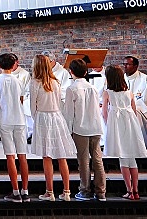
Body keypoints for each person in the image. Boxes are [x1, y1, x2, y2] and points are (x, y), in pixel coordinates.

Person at [30, 54, 75, 201]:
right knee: (61, 156)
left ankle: (50, 192)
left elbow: (32, 107)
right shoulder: (55, 81)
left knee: (47, 156)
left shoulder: (35, 82)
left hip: (43, 117)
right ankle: (67, 192)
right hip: (56, 116)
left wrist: (36, 117)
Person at [102, 64, 147, 200]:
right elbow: (134, 110)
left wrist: (108, 126)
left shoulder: (107, 93)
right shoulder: (129, 93)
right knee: (132, 159)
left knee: (123, 158)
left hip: (117, 125)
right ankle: (136, 191)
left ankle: (129, 190)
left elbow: (104, 112)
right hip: (130, 124)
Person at [63, 59, 105, 202]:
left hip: (80, 128)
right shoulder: (92, 88)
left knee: (83, 161)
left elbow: (69, 113)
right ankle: (101, 192)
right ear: (86, 72)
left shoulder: (72, 88)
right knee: (98, 160)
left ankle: (85, 190)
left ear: (71, 72)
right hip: (95, 127)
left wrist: (67, 132)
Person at [0, 52, 28, 202]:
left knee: (10, 156)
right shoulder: (19, 81)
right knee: (22, 155)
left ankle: (15, 191)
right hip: (20, 120)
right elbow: (21, 100)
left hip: (5, 119)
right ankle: (25, 191)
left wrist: (1, 104)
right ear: (14, 65)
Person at [122, 56, 147, 150]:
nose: (125, 67)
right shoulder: (120, 79)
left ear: (136, 66)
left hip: (142, 110)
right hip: (124, 109)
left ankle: (140, 144)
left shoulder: (145, 80)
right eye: (124, 64)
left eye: (128, 64)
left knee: (135, 112)